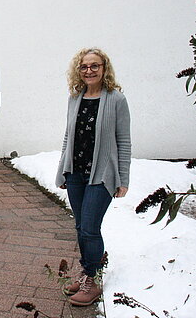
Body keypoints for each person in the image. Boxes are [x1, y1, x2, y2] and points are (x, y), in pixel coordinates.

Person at [56, 48, 131, 306]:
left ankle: (94, 279)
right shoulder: (75, 98)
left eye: (94, 66)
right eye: (84, 67)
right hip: (75, 173)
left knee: (89, 227)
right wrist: (62, 169)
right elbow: (68, 137)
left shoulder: (116, 99)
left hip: (102, 175)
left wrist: (123, 179)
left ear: (104, 68)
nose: (89, 71)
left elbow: (124, 141)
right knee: (80, 226)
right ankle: (88, 269)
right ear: (79, 70)